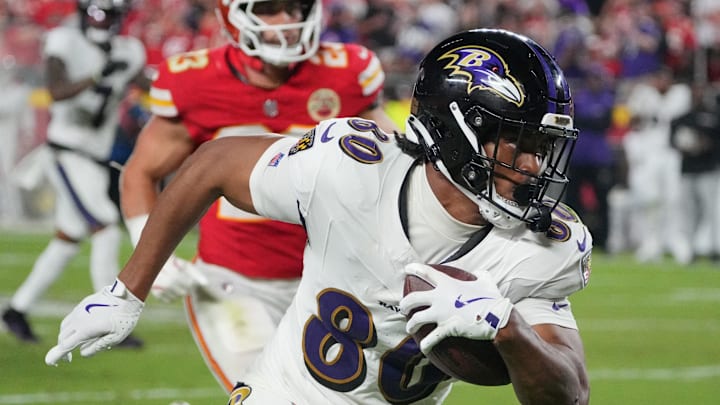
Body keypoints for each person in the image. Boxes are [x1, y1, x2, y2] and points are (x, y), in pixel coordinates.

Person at [46, 29, 591, 405]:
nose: (533, 166)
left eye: (543, 148)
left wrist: (509, 328)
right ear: (453, 133)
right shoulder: (350, 166)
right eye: (517, 143)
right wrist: (126, 292)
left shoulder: (544, 245)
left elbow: (568, 392)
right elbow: (211, 161)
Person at [119, 0, 397, 392]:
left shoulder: (347, 72)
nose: (287, 22)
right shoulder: (194, 81)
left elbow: (394, 166)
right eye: (268, 9)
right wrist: (149, 253)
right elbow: (140, 173)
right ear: (231, 15)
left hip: (329, 282)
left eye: (295, 8)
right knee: (267, 396)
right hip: (233, 284)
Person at [2, 0, 149, 346]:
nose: (106, 22)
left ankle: (17, 310)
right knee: (106, 227)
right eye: (99, 14)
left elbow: (151, 86)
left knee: (67, 240)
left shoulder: (129, 50)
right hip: (67, 152)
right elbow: (56, 91)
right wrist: (98, 74)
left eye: (112, 15)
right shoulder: (65, 41)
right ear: (84, 12)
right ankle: (107, 320)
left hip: (93, 158)